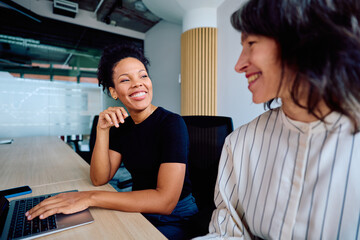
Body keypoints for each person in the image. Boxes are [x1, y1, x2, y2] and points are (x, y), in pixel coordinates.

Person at [196, 0, 360, 239]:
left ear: (307, 40)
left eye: (251, 43)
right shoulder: (239, 143)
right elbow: (227, 234)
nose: (238, 65)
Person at [26, 44, 198, 240]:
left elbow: (165, 202)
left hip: (175, 216)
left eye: (143, 76)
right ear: (114, 92)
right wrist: (102, 129)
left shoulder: (171, 123)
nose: (137, 84)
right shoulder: (122, 126)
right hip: (138, 208)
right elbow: (100, 178)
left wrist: (89, 198)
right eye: (125, 80)